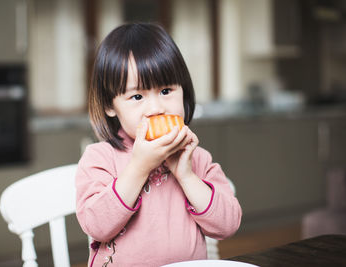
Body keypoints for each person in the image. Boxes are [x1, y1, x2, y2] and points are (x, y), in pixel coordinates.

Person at [75, 22, 242, 267]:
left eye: (166, 91)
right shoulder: (100, 158)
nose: (155, 108)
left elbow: (228, 225)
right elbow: (96, 226)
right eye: (137, 97)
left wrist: (186, 175)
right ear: (110, 105)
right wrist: (140, 166)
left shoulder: (197, 158)